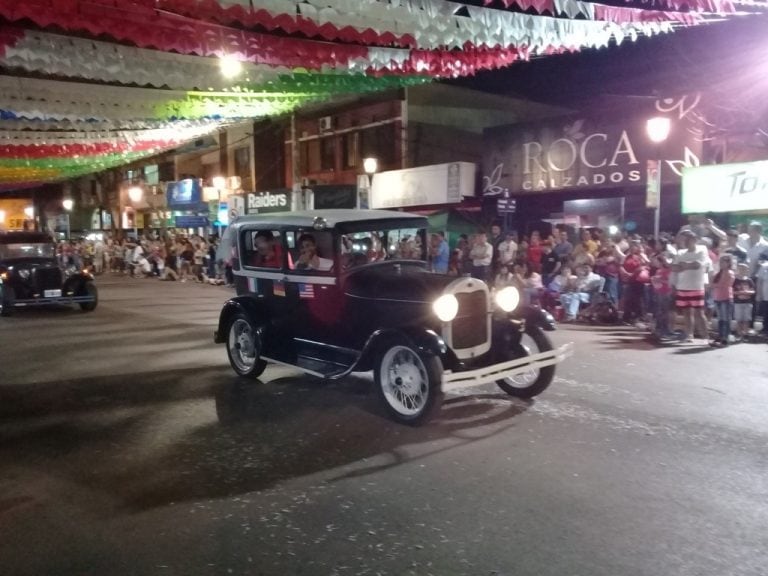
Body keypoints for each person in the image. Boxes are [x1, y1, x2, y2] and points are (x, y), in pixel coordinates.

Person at [671, 229, 711, 342]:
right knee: (686, 313)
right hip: (682, 286)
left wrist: (684, 266)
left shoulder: (702, 250)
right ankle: (689, 334)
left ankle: (705, 336)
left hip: (697, 286)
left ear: (694, 239)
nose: (686, 242)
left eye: (688, 239)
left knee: (699, 313)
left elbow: (698, 265)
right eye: (685, 239)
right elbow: (674, 267)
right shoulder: (680, 252)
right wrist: (687, 265)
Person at [710, 254, 735, 347]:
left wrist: (714, 285)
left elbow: (725, 284)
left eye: (724, 261)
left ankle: (726, 338)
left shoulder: (730, 273)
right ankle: (720, 336)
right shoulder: (718, 273)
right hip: (718, 298)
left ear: (729, 263)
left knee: (726, 319)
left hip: (726, 298)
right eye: (721, 261)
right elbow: (713, 283)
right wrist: (714, 284)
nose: (722, 263)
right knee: (720, 319)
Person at [733, 262, 756, 340]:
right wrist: (740, 293)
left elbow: (753, 291)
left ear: (747, 270)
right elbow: (732, 291)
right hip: (738, 302)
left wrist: (747, 293)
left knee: (747, 319)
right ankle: (739, 334)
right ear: (738, 270)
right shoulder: (735, 280)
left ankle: (745, 334)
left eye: (744, 269)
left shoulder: (749, 280)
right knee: (739, 319)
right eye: (740, 269)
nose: (742, 270)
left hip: (747, 302)